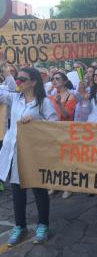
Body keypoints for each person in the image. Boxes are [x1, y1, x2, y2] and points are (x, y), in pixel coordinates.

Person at [0, 67, 57, 246]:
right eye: (17, 79)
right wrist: (4, 68)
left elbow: (54, 126)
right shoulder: (15, 98)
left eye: (22, 79)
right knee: (17, 191)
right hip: (15, 151)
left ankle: (43, 225)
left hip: (34, 153)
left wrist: (35, 122)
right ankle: (20, 226)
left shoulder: (43, 103)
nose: (18, 82)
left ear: (33, 82)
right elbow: (3, 90)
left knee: (39, 190)